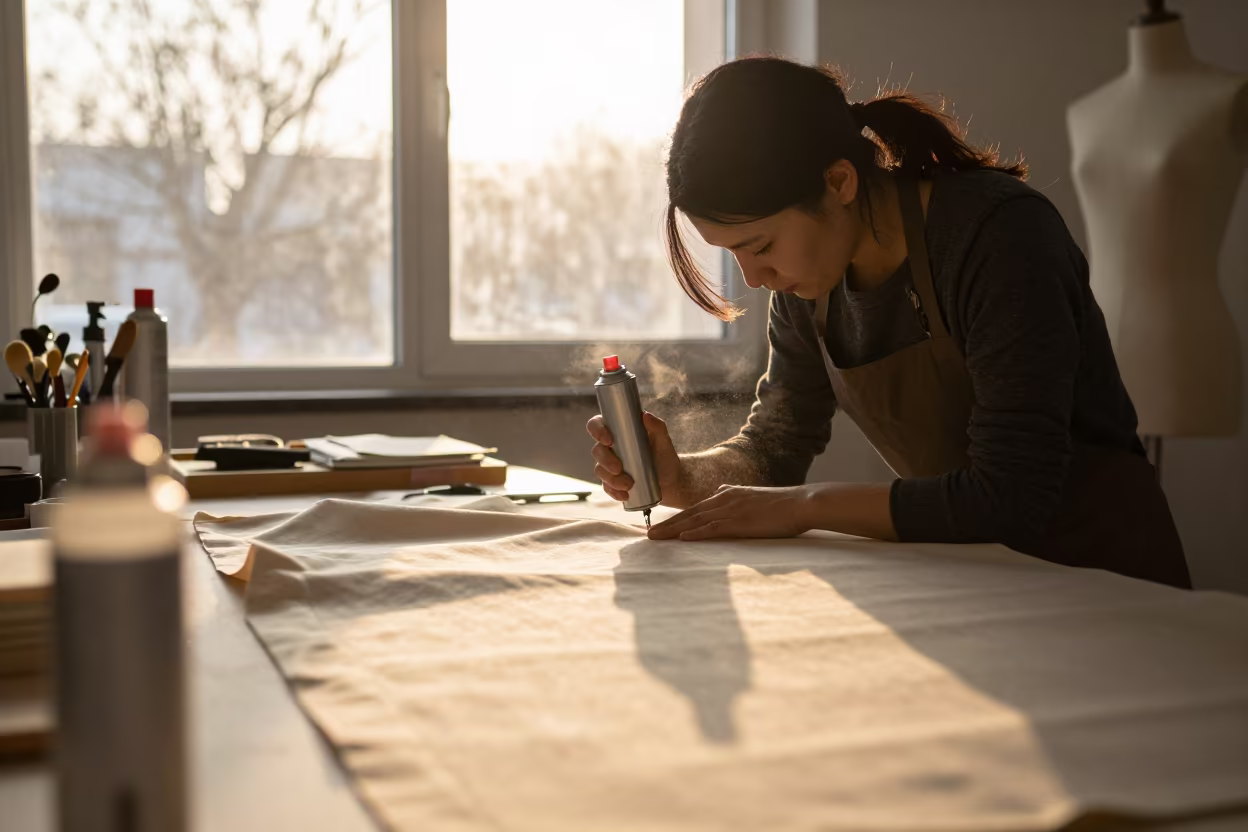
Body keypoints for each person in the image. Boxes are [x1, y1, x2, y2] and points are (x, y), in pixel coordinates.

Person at [585, 56, 1191, 588]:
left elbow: (1012, 496)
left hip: (1107, 581)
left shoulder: (998, 236)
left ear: (839, 182)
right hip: (983, 578)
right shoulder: (808, 284)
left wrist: (807, 506)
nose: (754, 278)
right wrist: (681, 475)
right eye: (734, 254)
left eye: (761, 246)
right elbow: (775, 449)